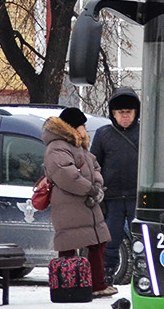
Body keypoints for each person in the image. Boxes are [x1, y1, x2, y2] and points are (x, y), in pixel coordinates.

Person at [43, 106, 113, 297]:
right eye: (82, 125)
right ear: (73, 126)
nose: (84, 128)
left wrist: (97, 185)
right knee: (68, 247)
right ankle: (67, 286)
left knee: (98, 242)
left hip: (86, 204)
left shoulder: (77, 146)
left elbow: (95, 167)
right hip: (70, 205)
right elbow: (67, 176)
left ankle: (95, 284)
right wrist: (90, 189)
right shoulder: (57, 147)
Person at [90, 87, 139, 286]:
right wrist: (98, 190)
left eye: (128, 112)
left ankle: (146, 275)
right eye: (120, 112)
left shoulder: (144, 134)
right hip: (113, 198)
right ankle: (106, 275)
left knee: (143, 238)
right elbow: (94, 165)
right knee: (111, 239)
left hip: (138, 196)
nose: (125, 116)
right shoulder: (103, 135)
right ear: (113, 113)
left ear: (135, 113)